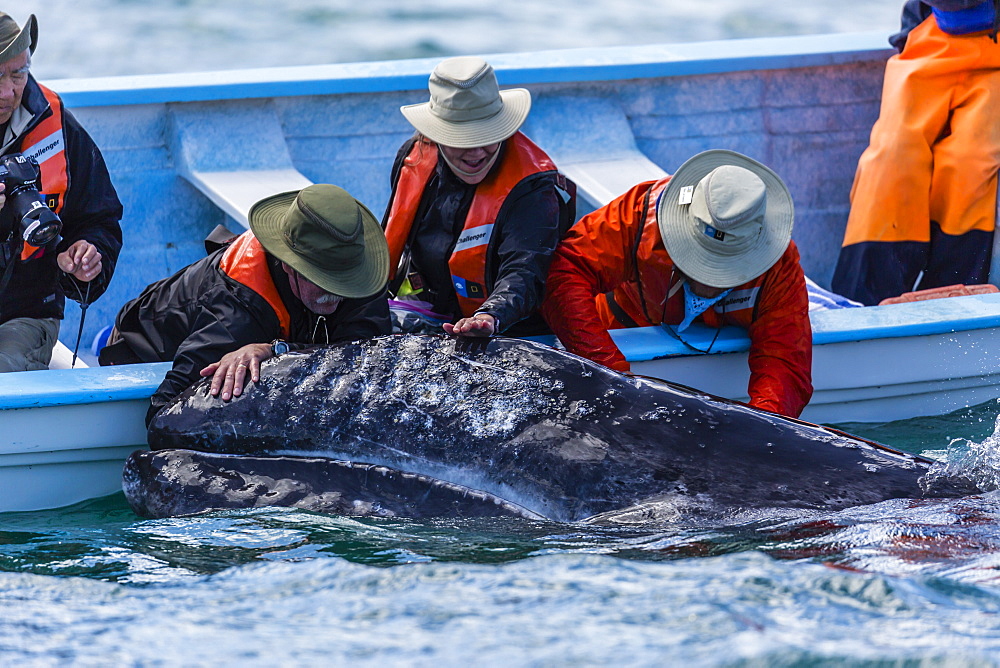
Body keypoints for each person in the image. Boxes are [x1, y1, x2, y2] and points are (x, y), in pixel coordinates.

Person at [541, 150, 813, 418]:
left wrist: (759, 429)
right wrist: (612, 377)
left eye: (723, 270)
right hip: (617, 340)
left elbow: (784, 364)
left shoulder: (780, 265)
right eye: (703, 261)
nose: (708, 281)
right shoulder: (638, 215)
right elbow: (565, 272)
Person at [99, 184, 391, 423]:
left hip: (273, 334)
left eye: (343, 280)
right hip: (140, 346)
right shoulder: (235, 315)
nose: (335, 292)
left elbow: (367, 357)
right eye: (322, 279)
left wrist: (276, 351)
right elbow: (162, 414)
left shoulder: (360, 272)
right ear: (288, 265)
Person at [382, 56, 575, 338]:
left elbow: (524, 272)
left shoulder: (533, 189)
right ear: (436, 136)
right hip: (429, 307)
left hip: (508, 328)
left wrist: (489, 316)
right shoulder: (412, 158)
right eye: (461, 140)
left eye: (486, 136)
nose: (475, 153)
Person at [832, 0, 1000, 305]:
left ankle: (952, 304)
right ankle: (860, 305)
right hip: (933, 32)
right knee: (890, 160)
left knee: (971, 163)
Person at [0, 12, 122, 371]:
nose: (8, 92)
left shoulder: (57, 127)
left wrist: (86, 257)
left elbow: (99, 217)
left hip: (24, 314)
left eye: (18, 74)